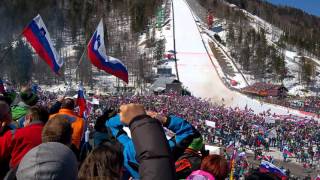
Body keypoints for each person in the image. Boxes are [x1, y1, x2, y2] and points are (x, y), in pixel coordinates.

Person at [119, 103, 175, 180]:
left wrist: (136, 119)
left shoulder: (127, 146)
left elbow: (113, 129)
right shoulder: (166, 147)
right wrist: (165, 120)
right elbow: (189, 133)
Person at [0, 105, 48, 175]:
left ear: (29, 118)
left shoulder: (14, 134)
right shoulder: (53, 137)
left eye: (24, 120)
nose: (23, 123)